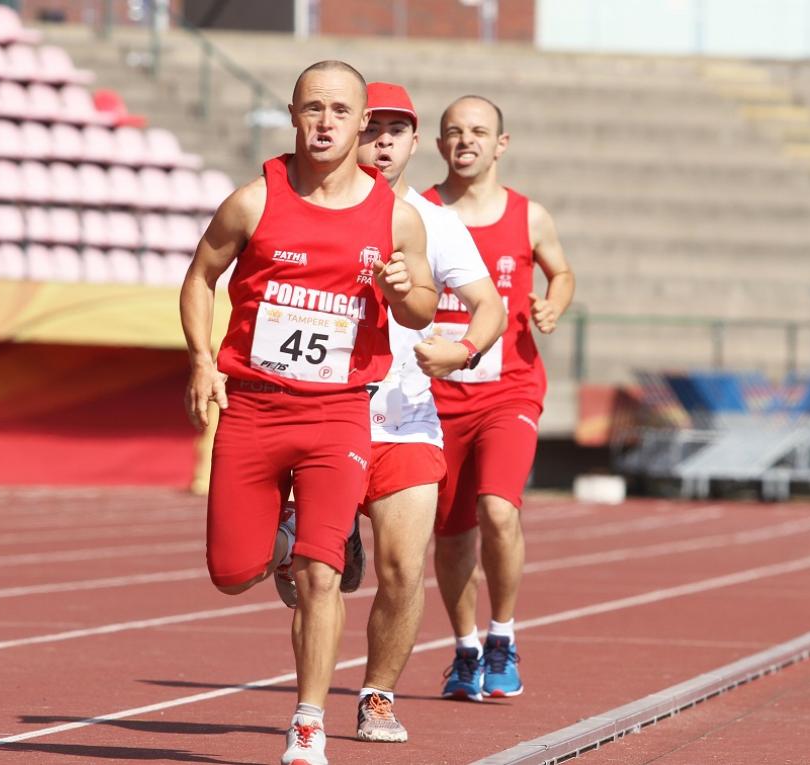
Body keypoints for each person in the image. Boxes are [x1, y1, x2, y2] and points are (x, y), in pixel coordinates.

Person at [179, 61, 436, 765]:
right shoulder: (252, 202)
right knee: (233, 571)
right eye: (312, 108)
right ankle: (286, 531)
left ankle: (308, 721)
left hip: (338, 414)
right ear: (293, 114)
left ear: (361, 124)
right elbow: (201, 277)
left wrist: (406, 285)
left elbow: (420, 309)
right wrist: (203, 358)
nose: (325, 123)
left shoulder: (396, 216)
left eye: (340, 111)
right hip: (255, 410)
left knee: (322, 573)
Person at [351, 82, 506, 742]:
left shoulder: (437, 223)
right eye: (372, 127)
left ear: (417, 143)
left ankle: (377, 695)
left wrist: (463, 349)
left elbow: (490, 305)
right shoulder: (295, 208)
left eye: (397, 129)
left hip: (407, 416)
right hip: (321, 418)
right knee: (307, 573)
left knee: (403, 569)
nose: (382, 140)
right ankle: (304, 540)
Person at [422, 95, 575, 701]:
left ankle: (503, 635)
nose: (466, 141)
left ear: (500, 144)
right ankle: (465, 649)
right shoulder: (421, 212)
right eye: (454, 132)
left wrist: (551, 304)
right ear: (439, 146)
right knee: (452, 533)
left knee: (499, 509)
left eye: (479, 131)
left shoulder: (528, 216)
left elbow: (560, 272)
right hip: (436, 395)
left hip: (508, 388)